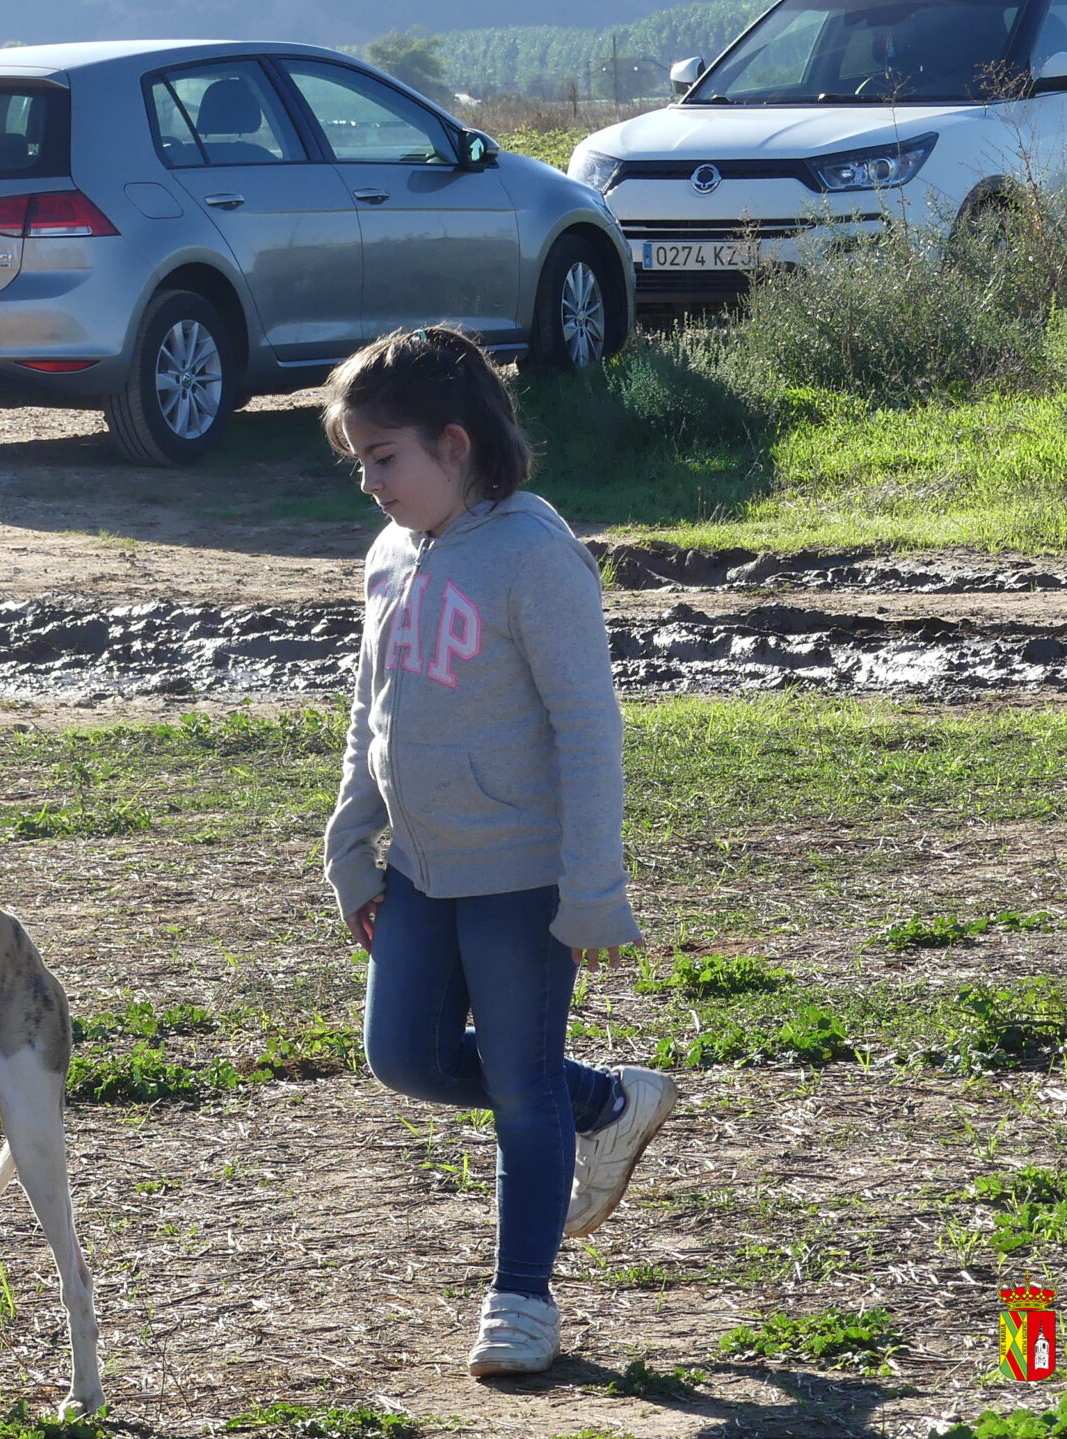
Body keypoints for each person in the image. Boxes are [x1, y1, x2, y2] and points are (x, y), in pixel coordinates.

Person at [319, 327, 678, 1378]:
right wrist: (350, 846)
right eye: (359, 461)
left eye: (384, 457)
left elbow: (588, 728)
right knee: (405, 1055)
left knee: (520, 1089)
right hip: (417, 873)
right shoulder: (390, 553)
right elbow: (369, 711)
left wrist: (593, 887)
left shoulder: (535, 554)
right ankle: (604, 1100)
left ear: (455, 443)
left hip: (523, 879)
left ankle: (522, 1299)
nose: (370, 482)